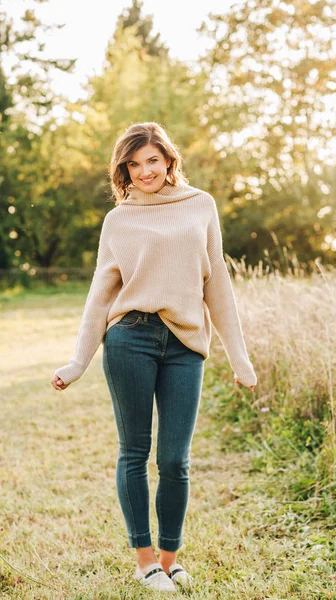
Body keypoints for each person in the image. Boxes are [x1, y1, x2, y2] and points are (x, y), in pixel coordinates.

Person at [51, 122, 257, 593]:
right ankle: (144, 561)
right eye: (134, 164)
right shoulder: (118, 221)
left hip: (185, 344)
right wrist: (77, 362)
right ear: (124, 169)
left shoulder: (200, 206)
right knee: (135, 452)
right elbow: (100, 295)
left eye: (153, 161)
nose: (145, 171)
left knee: (176, 460)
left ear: (168, 160)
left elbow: (216, 283)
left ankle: (170, 558)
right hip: (131, 339)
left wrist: (239, 358)